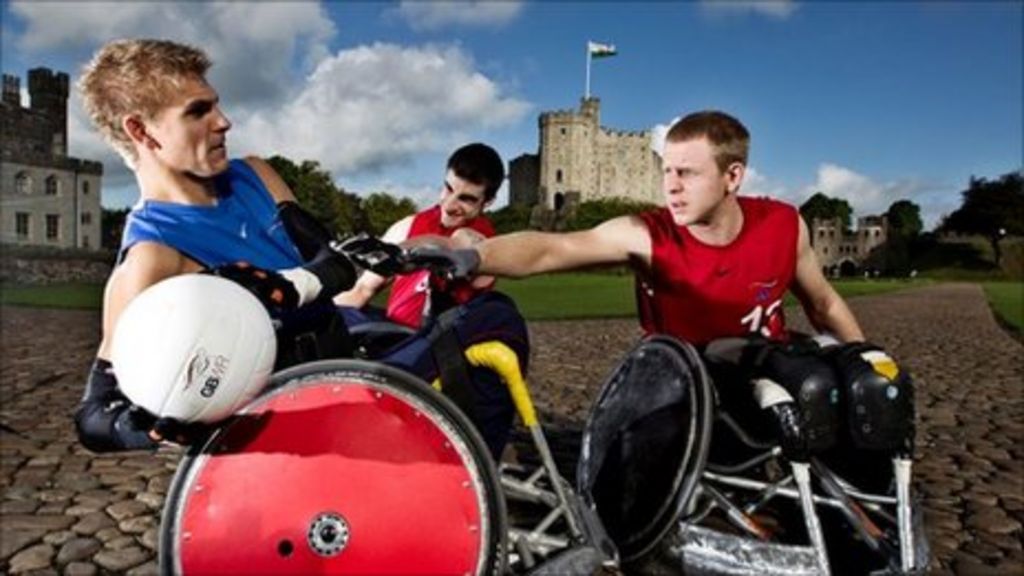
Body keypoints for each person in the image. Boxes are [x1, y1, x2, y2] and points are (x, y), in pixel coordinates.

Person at [425, 111, 914, 459]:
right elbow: (555, 248)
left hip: (763, 372)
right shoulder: (649, 235)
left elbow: (824, 301)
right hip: (683, 386)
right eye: (667, 172)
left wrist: (868, 364)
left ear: (732, 176)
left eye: (687, 173)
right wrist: (474, 254)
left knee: (848, 389)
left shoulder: (785, 224)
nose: (671, 186)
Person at [74, 39, 359, 452]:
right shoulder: (151, 259)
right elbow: (94, 415)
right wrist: (144, 428)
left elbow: (336, 265)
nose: (223, 121)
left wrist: (283, 288)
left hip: (349, 385)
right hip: (283, 446)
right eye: (197, 111)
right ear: (141, 130)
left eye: (215, 104)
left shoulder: (255, 175)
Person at [335, 142, 503, 329]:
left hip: (445, 349)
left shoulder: (484, 242)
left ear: (487, 202)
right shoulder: (409, 225)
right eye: (448, 188)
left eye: (466, 199)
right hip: (394, 344)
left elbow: (456, 244)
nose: (448, 205)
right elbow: (363, 290)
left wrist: (400, 250)